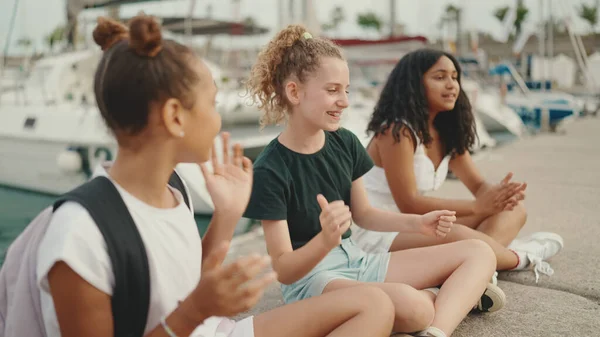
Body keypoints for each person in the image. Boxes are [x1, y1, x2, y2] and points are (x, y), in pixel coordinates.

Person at [36, 15, 398, 337]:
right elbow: (187, 309)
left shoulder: (173, 190)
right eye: (211, 103)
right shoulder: (79, 237)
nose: (219, 119)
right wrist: (195, 310)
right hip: (201, 324)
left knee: (375, 305)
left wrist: (226, 216)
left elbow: (186, 280)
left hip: (218, 329)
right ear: (176, 116)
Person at [243, 25, 501, 337]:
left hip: (359, 259)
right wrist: (325, 240)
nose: (344, 101)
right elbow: (284, 268)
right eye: (333, 90)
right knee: (415, 308)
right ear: (294, 92)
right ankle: (447, 295)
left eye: (346, 90)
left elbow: (364, 214)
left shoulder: (345, 143)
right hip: (314, 279)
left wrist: (417, 223)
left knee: (478, 251)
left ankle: (436, 332)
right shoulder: (270, 168)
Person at [350, 48, 563, 283]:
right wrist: (477, 207)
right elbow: (409, 202)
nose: (451, 85)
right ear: (413, 85)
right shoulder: (396, 131)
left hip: (420, 224)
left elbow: (478, 185)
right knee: (461, 234)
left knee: (514, 211)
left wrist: (498, 196)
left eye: (454, 77)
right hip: (380, 229)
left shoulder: (448, 132)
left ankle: (478, 271)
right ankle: (521, 257)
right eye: (440, 77)